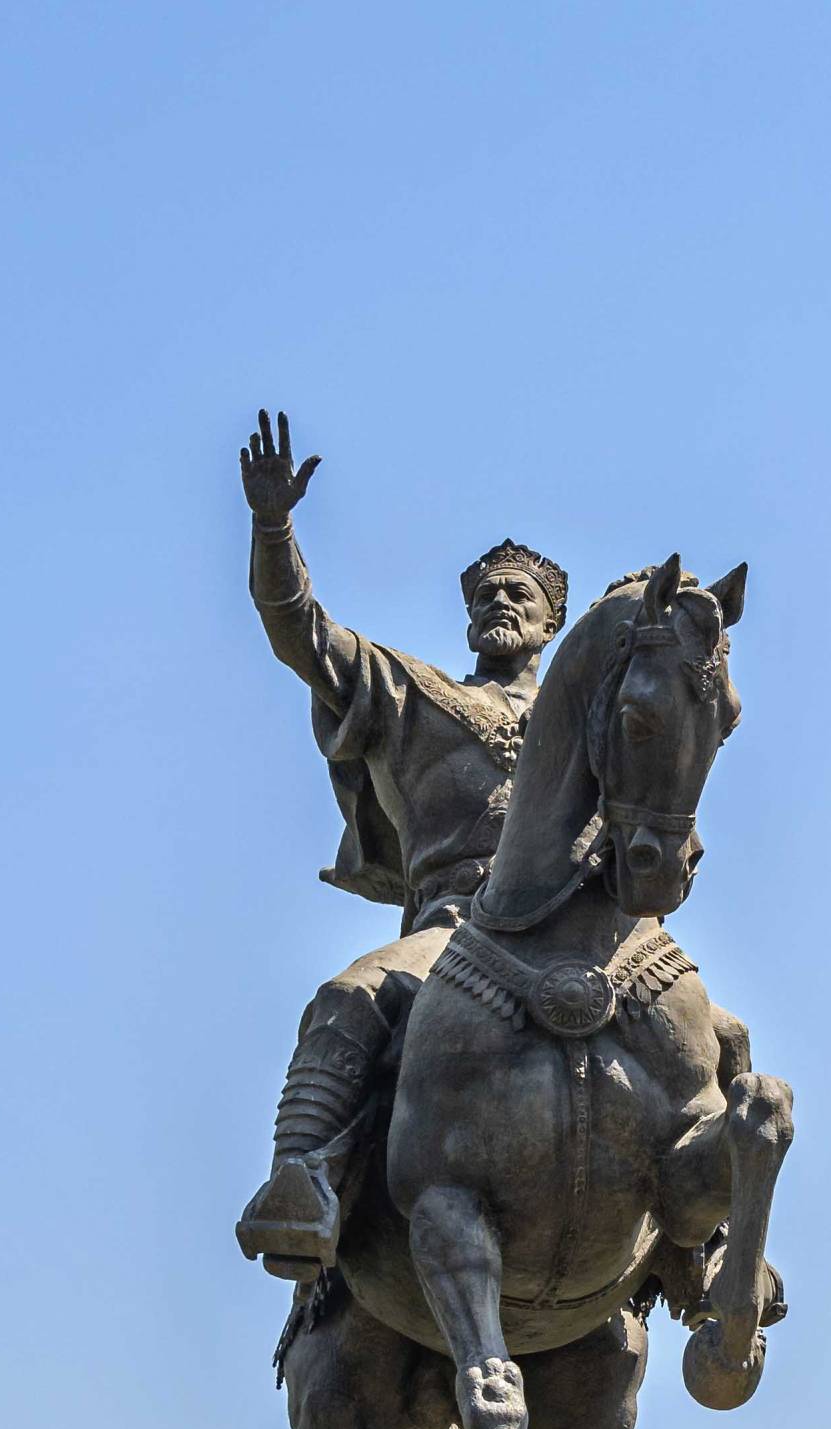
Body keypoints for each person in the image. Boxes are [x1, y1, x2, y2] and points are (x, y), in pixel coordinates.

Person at [228, 409, 570, 1280]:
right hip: (459, 931)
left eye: (518, 595)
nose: (499, 602)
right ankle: (299, 1181)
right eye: (485, 596)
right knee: (349, 994)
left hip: (582, 933)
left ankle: (714, 1246)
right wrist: (275, 527)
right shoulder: (407, 692)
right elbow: (298, 631)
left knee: (718, 1038)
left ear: (549, 626)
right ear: (466, 624)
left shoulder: (586, 728)